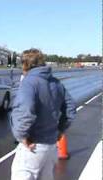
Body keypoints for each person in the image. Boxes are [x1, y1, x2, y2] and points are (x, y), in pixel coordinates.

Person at [10, 48, 76, 180]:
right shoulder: (56, 83)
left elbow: (25, 111)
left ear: (25, 64)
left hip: (33, 145)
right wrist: (59, 131)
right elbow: (70, 108)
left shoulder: (29, 82)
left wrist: (21, 136)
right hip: (51, 145)